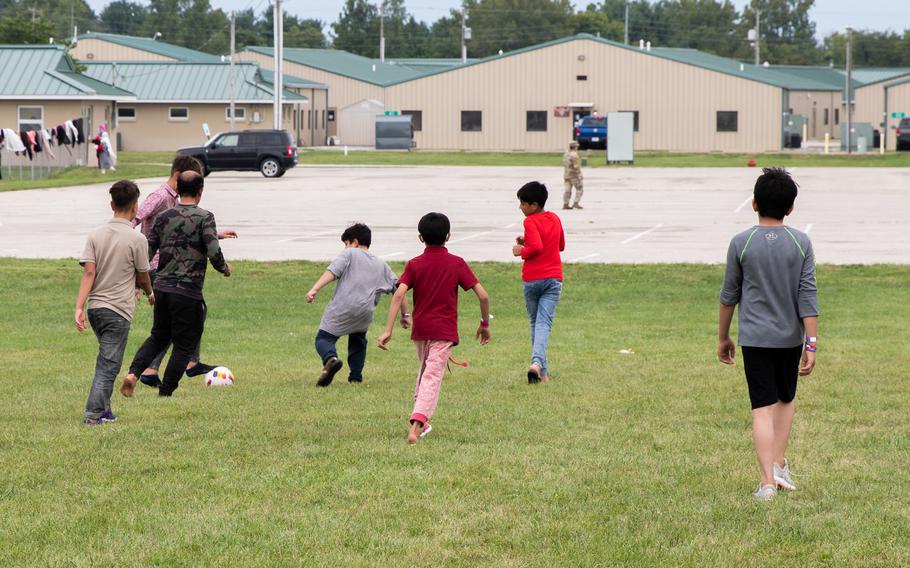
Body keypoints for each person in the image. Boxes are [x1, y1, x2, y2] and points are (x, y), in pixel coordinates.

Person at [717, 167, 818, 501]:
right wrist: (811, 343)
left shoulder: (740, 243)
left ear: (754, 204)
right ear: (791, 208)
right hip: (790, 339)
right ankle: (777, 464)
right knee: (785, 400)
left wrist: (723, 337)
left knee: (762, 407)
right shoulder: (800, 242)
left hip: (755, 339)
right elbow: (808, 295)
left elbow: (728, 295)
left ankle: (766, 483)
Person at [378, 213, 491, 445]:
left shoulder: (414, 264)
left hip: (421, 330)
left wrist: (388, 330)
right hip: (444, 331)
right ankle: (417, 423)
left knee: (424, 373)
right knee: (431, 376)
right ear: (448, 236)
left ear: (420, 238)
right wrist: (484, 324)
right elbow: (483, 295)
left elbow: (399, 294)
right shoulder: (457, 263)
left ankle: (422, 422)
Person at [121, 171, 232, 397]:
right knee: (184, 344)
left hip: (161, 287)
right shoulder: (205, 217)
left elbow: (148, 250)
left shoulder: (164, 217)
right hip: (188, 291)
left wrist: (141, 283)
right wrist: (224, 268)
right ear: (200, 191)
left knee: (158, 336)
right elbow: (212, 249)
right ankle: (166, 391)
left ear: (178, 190)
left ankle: (133, 374)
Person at [75, 180, 154, 425]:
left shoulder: (95, 234)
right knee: (109, 364)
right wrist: (150, 291)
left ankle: (106, 408)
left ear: (112, 205)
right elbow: (143, 276)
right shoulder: (137, 239)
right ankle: (93, 415)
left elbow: (89, 272)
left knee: (108, 357)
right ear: (135, 206)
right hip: (118, 311)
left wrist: (79, 306)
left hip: (96, 309)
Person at [306, 223, 411, 386]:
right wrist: (405, 315)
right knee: (358, 341)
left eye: (345, 244)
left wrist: (315, 288)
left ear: (354, 242)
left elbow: (332, 272)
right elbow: (399, 289)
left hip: (342, 307)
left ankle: (331, 359)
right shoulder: (381, 264)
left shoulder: (349, 254)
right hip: (365, 311)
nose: (345, 248)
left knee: (324, 338)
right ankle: (355, 377)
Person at [512, 181, 565, 384]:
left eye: (523, 203)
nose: (520, 207)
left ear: (534, 205)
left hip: (533, 278)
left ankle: (536, 363)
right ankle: (542, 372)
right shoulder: (554, 218)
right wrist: (529, 242)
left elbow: (536, 248)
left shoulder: (530, 222)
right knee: (543, 323)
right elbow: (560, 245)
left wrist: (521, 250)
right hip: (553, 278)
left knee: (536, 323)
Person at [562, 140, 584, 210]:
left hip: (566, 175)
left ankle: (565, 204)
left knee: (567, 190)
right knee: (579, 188)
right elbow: (576, 166)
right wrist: (580, 174)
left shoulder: (566, 154)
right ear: (575, 147)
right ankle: (576, 203)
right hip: (574, 176)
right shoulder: (574, 155)